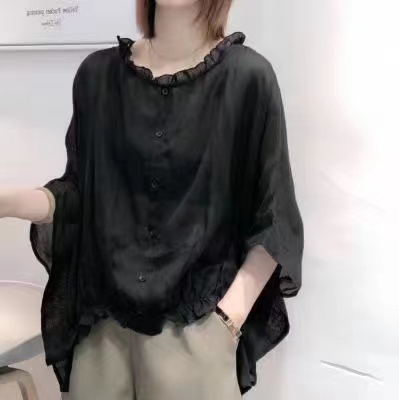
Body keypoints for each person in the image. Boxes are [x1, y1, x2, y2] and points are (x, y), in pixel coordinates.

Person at [0, 0, 304, 399]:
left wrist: (227, 322)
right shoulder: (97, 76)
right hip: (102, 337)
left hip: (195, 338)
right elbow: (78, 197)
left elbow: (275, 216)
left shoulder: (247, 78)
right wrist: (7, 202)